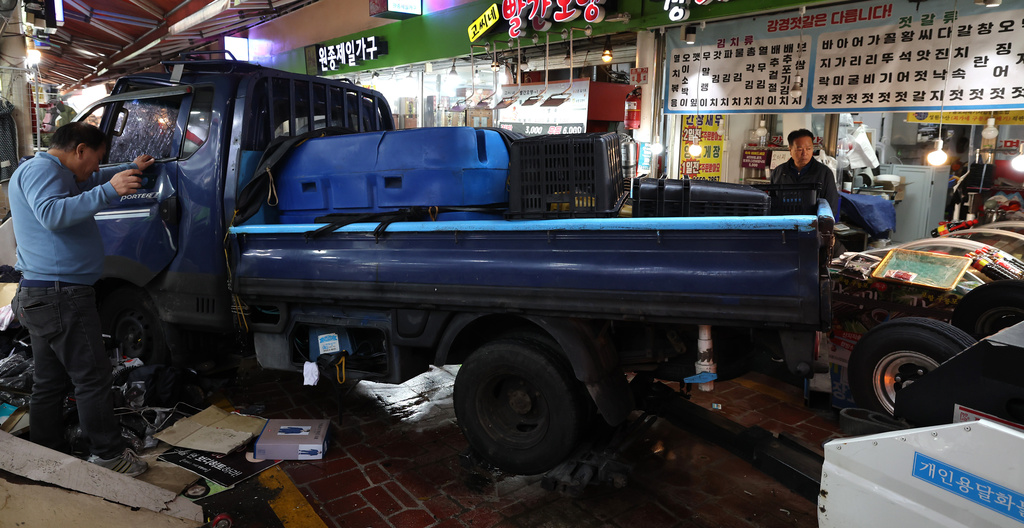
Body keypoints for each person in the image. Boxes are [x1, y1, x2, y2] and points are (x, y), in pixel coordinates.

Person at [9, 122, 153, 476]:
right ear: (79, 150)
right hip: (62, 297)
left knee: (50, 382)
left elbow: (84, 185)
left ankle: (46, 453)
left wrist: (128, 170)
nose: (95, 169)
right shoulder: (45, 170)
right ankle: (108, 455)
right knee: (92, 378)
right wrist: (109, 191)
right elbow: (52, 215)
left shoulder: (45, 170)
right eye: (96, 159)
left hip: (45, 294)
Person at [770, 129, 840, 218]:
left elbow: (831, 206)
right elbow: (771, 202)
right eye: (799, 149)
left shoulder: (824, 173)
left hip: (812, 226)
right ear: (790, 149)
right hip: (784, 224)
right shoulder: (779, 172)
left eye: (808, 149)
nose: (805, 153)